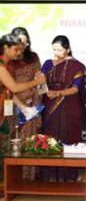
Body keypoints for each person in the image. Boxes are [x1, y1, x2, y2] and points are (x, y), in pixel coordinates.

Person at [0, 34, 46, 196]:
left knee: (5, 148)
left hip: (5, 112)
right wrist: (37, 82)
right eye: (15, 49)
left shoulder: (7, 64)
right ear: (5, 47)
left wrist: (25, 108)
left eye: (20, 49)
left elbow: (7, 92)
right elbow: (14, 88)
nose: (19, 53)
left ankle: (6, 187)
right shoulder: (1, 66)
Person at [40, 35, 86, 182]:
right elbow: (40, 83)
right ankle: (49, 175)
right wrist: (44, 90)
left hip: (69, 107)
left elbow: (76, 89)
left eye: (60, 50)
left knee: (68, 138)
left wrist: (58, 93)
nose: (56, 53)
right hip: (50, 106)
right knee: (50, 138)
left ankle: (69, 176)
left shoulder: (77, 66)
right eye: (54, 49)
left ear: (68, 49)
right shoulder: (48, 63)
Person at [7, 27, 42, 181]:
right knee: (13, 139)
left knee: (30, 140)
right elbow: (9, 87)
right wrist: (21, 105)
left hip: (32, 104)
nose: (23, 45)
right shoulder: (9, 61)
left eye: (25, 41)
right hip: (13, 104)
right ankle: (13, 179)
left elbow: (39, 80)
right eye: (20, 42)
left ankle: (29, 177)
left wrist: (36, 101)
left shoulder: (33, 57)